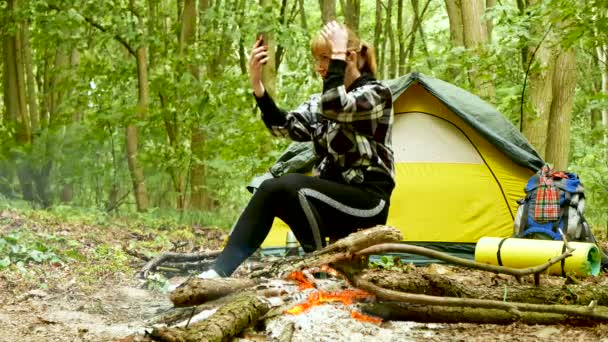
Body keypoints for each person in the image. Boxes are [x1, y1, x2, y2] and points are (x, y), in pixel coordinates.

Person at [199, 21, 395, 279]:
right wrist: (258, 87)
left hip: (368, 200)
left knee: (290, 185)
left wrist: (336, 56)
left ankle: (320, 270)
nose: (320, 67)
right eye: (318, 59)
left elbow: (336, 106)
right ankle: (218, 272)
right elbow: (283, 126)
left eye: (326, 58)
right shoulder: (320, 102)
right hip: (328, 199)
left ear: (350, 57)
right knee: (271, 189)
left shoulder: (376, 95)